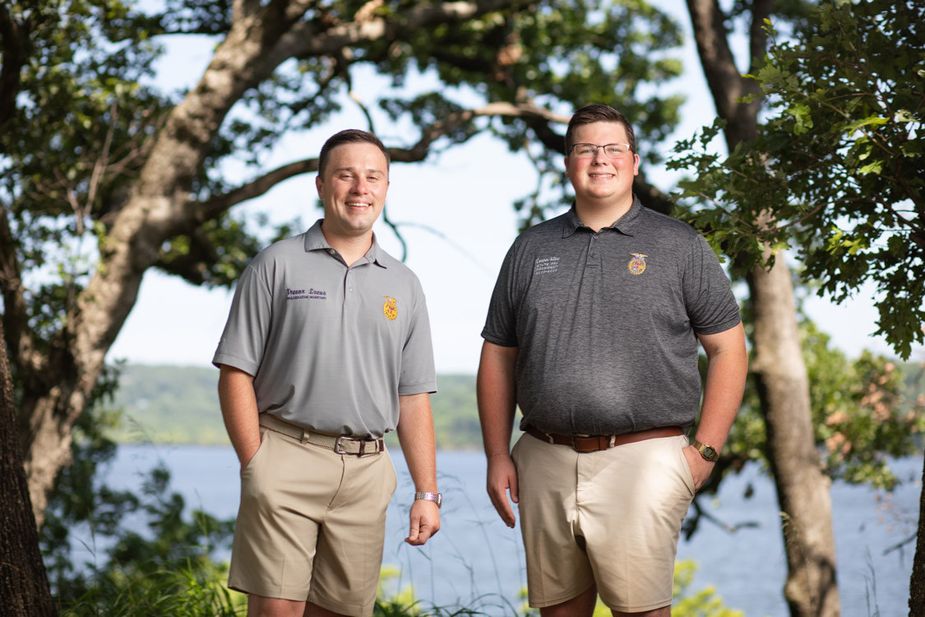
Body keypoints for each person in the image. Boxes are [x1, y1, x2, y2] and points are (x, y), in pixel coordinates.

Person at [477, 104, 748, 617]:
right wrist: (496, 454)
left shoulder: (679, 244)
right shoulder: (530, 248)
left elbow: (729, 349)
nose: (599, 159)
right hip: (544, 457)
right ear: (567, 162)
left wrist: (705, 452)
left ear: (634, 161)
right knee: (558, 611)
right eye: (585, 148)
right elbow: (497, 355)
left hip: (644, 461)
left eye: (611, 148)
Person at [213, 129, 441, 617]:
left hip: (366, 473)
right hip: (285, 459)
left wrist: (427, 492)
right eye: (346, 175)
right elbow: (235, 372)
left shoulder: (405, 284)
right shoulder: (276, 264)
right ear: (321, 185)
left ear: (385, 188)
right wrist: (256, 464)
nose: (360, 187)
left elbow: (413, 396)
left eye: (373, 176)